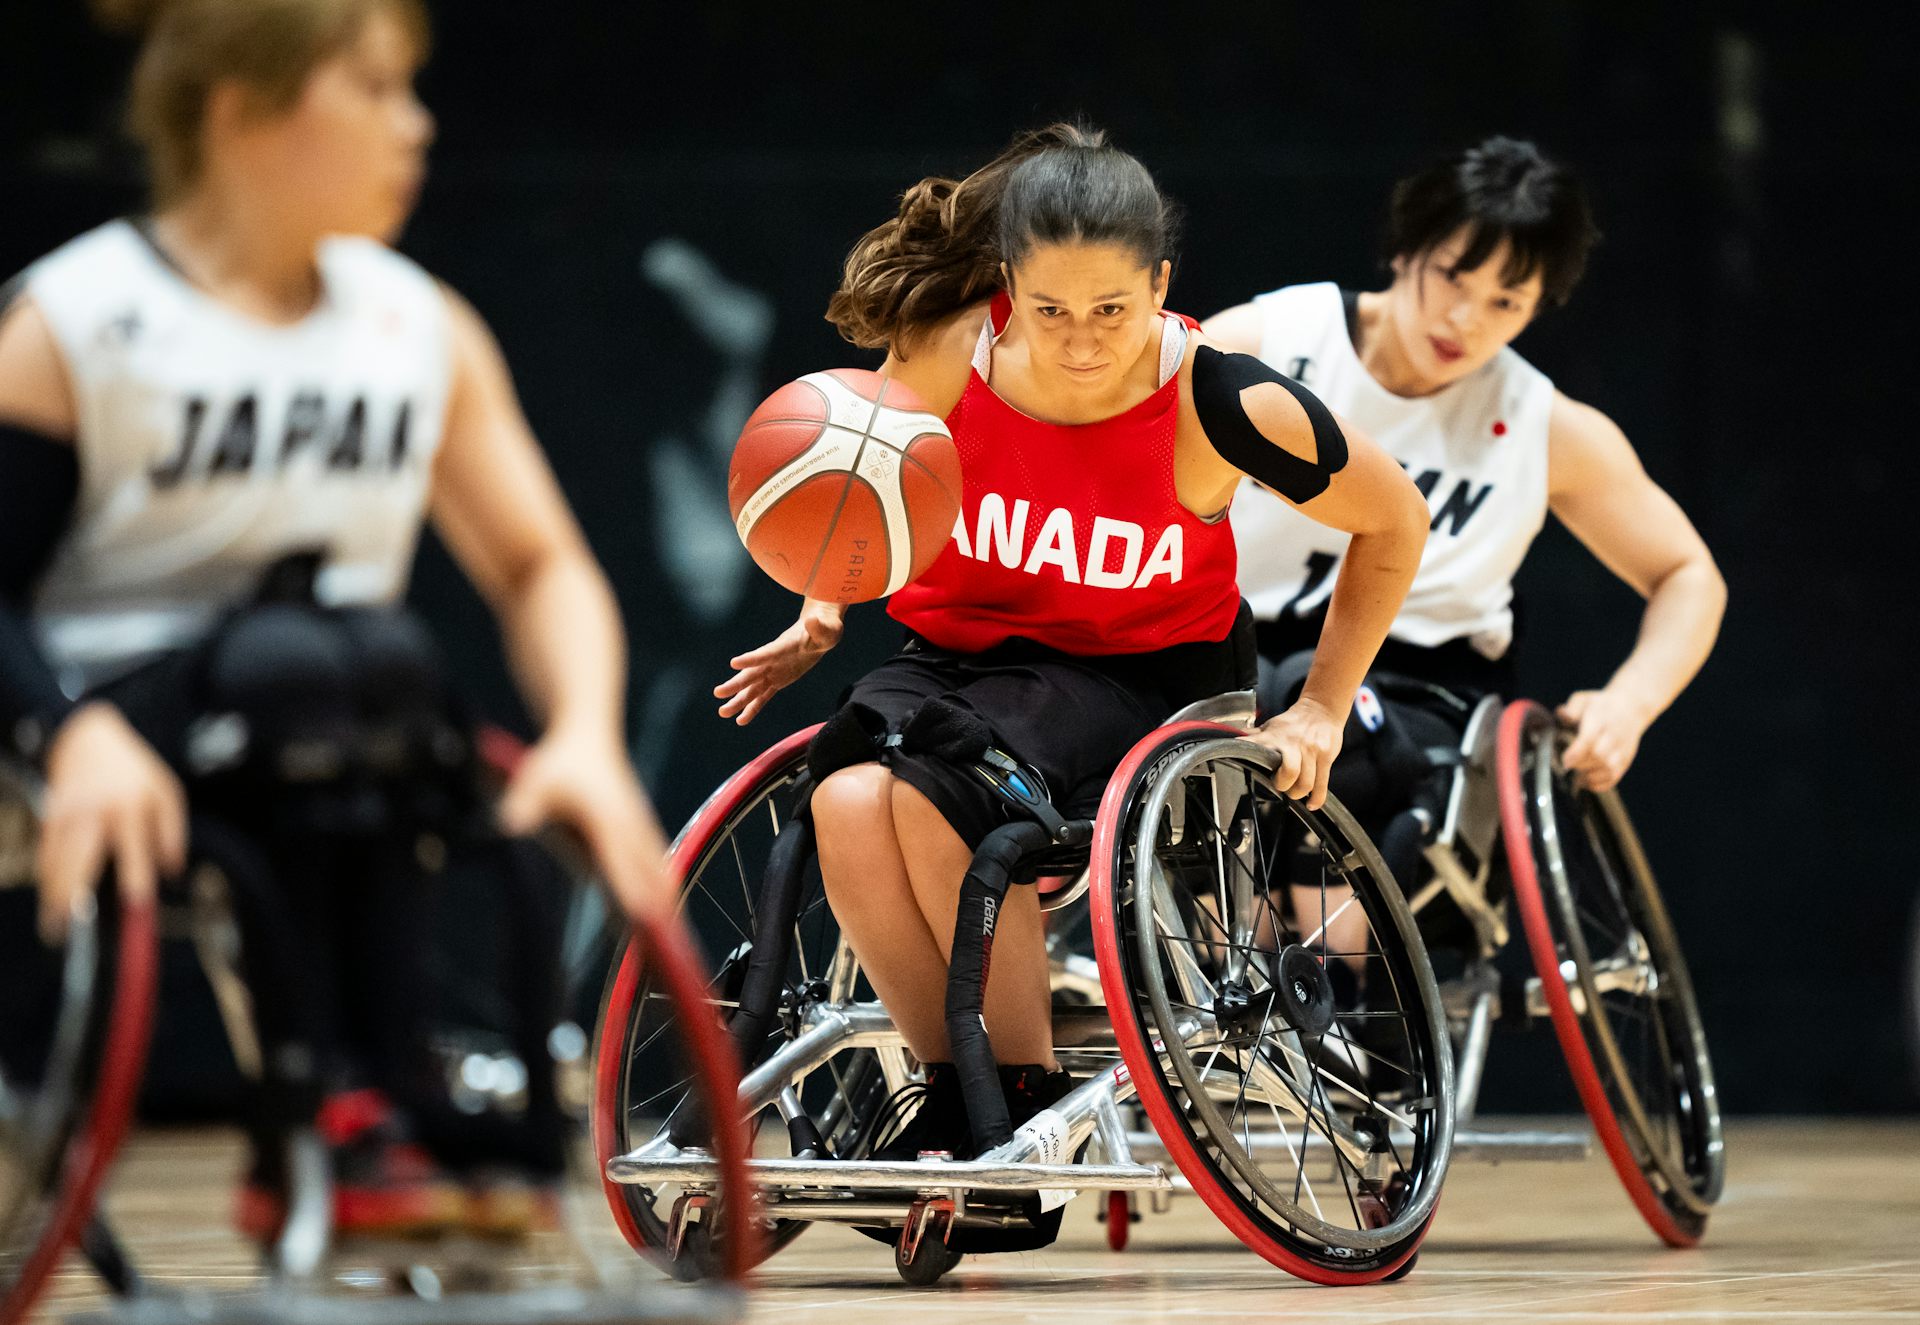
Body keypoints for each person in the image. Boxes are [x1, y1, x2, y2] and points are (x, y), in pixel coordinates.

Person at [0, 0, 670, 1238]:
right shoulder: (78, 320)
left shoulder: (417, 326)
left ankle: (447, 1110)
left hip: (325, 704)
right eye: (371, 89)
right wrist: (68, 732)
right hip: (77, 726)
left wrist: (583, 732)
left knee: (385, 668)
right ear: (240, 109)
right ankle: (328, 1100)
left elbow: (541, 565)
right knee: (304, 659)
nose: (413, 127)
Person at [713, 123, 1431, 1245]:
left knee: (941, 794)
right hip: (965, 653)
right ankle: (963, 1097)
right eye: (1051, 310)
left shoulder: (1222, 398)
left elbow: (1394, 521)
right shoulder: (951, 349)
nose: (1083, 340)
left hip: (1141, 678)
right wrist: (820, 610)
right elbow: (860, 479)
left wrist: (1325, 705)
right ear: (1007, 287)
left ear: (1160, 284)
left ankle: (1025, 1102)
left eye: (1111, 310)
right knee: (847, 795)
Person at [1202, 135, 1726, 964]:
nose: (1465, 319)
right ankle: (1224, 985)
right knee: (1223, 706)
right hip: (1239, 658)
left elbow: (1688, 574)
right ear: (1406, 248)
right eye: (1454, 275)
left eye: (1506, 302)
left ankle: (1335, 1003)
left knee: (1317, 704)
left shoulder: (1542, 424)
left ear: (1540, 307)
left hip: (1417, 695)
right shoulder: (1267, 342)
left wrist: (1630, 703)